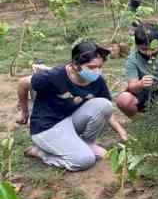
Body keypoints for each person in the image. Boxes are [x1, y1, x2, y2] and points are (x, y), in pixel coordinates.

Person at [17, 41, 128, 171]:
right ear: (75, 65)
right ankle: (40, 153)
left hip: (70, 121)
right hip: (47, 127)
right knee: (85, 160)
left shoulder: (97, 80)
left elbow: (106, 111)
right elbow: (22, 83)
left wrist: (122, 132)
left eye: (100, 66)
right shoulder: (54, 76)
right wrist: (24, 112)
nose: (97, 71)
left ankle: (87, 143)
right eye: (91, 67)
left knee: (105, 104)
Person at [116, 23, 158, 118]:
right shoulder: (132, 59)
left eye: (153, 49)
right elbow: (132, 86)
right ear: (137, 45)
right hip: (142, 94)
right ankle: (139, 121)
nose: (149, 53)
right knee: (123, 100)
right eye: (144, 49)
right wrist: (140, 83)